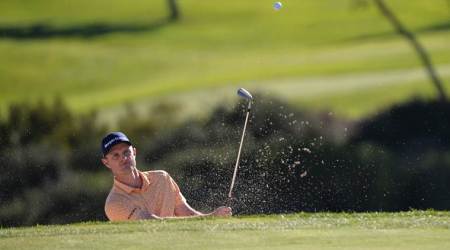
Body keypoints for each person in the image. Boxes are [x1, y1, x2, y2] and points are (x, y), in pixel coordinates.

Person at [101, 132, 232, 221]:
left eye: (126, 152)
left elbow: (185, 212)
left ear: (134, 152)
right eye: (115, 155)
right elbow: (154, 223)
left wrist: (212, 218)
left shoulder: (162, 178)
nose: (123, 158)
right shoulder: (114, 203)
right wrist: (210, 217)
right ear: (106, 162)